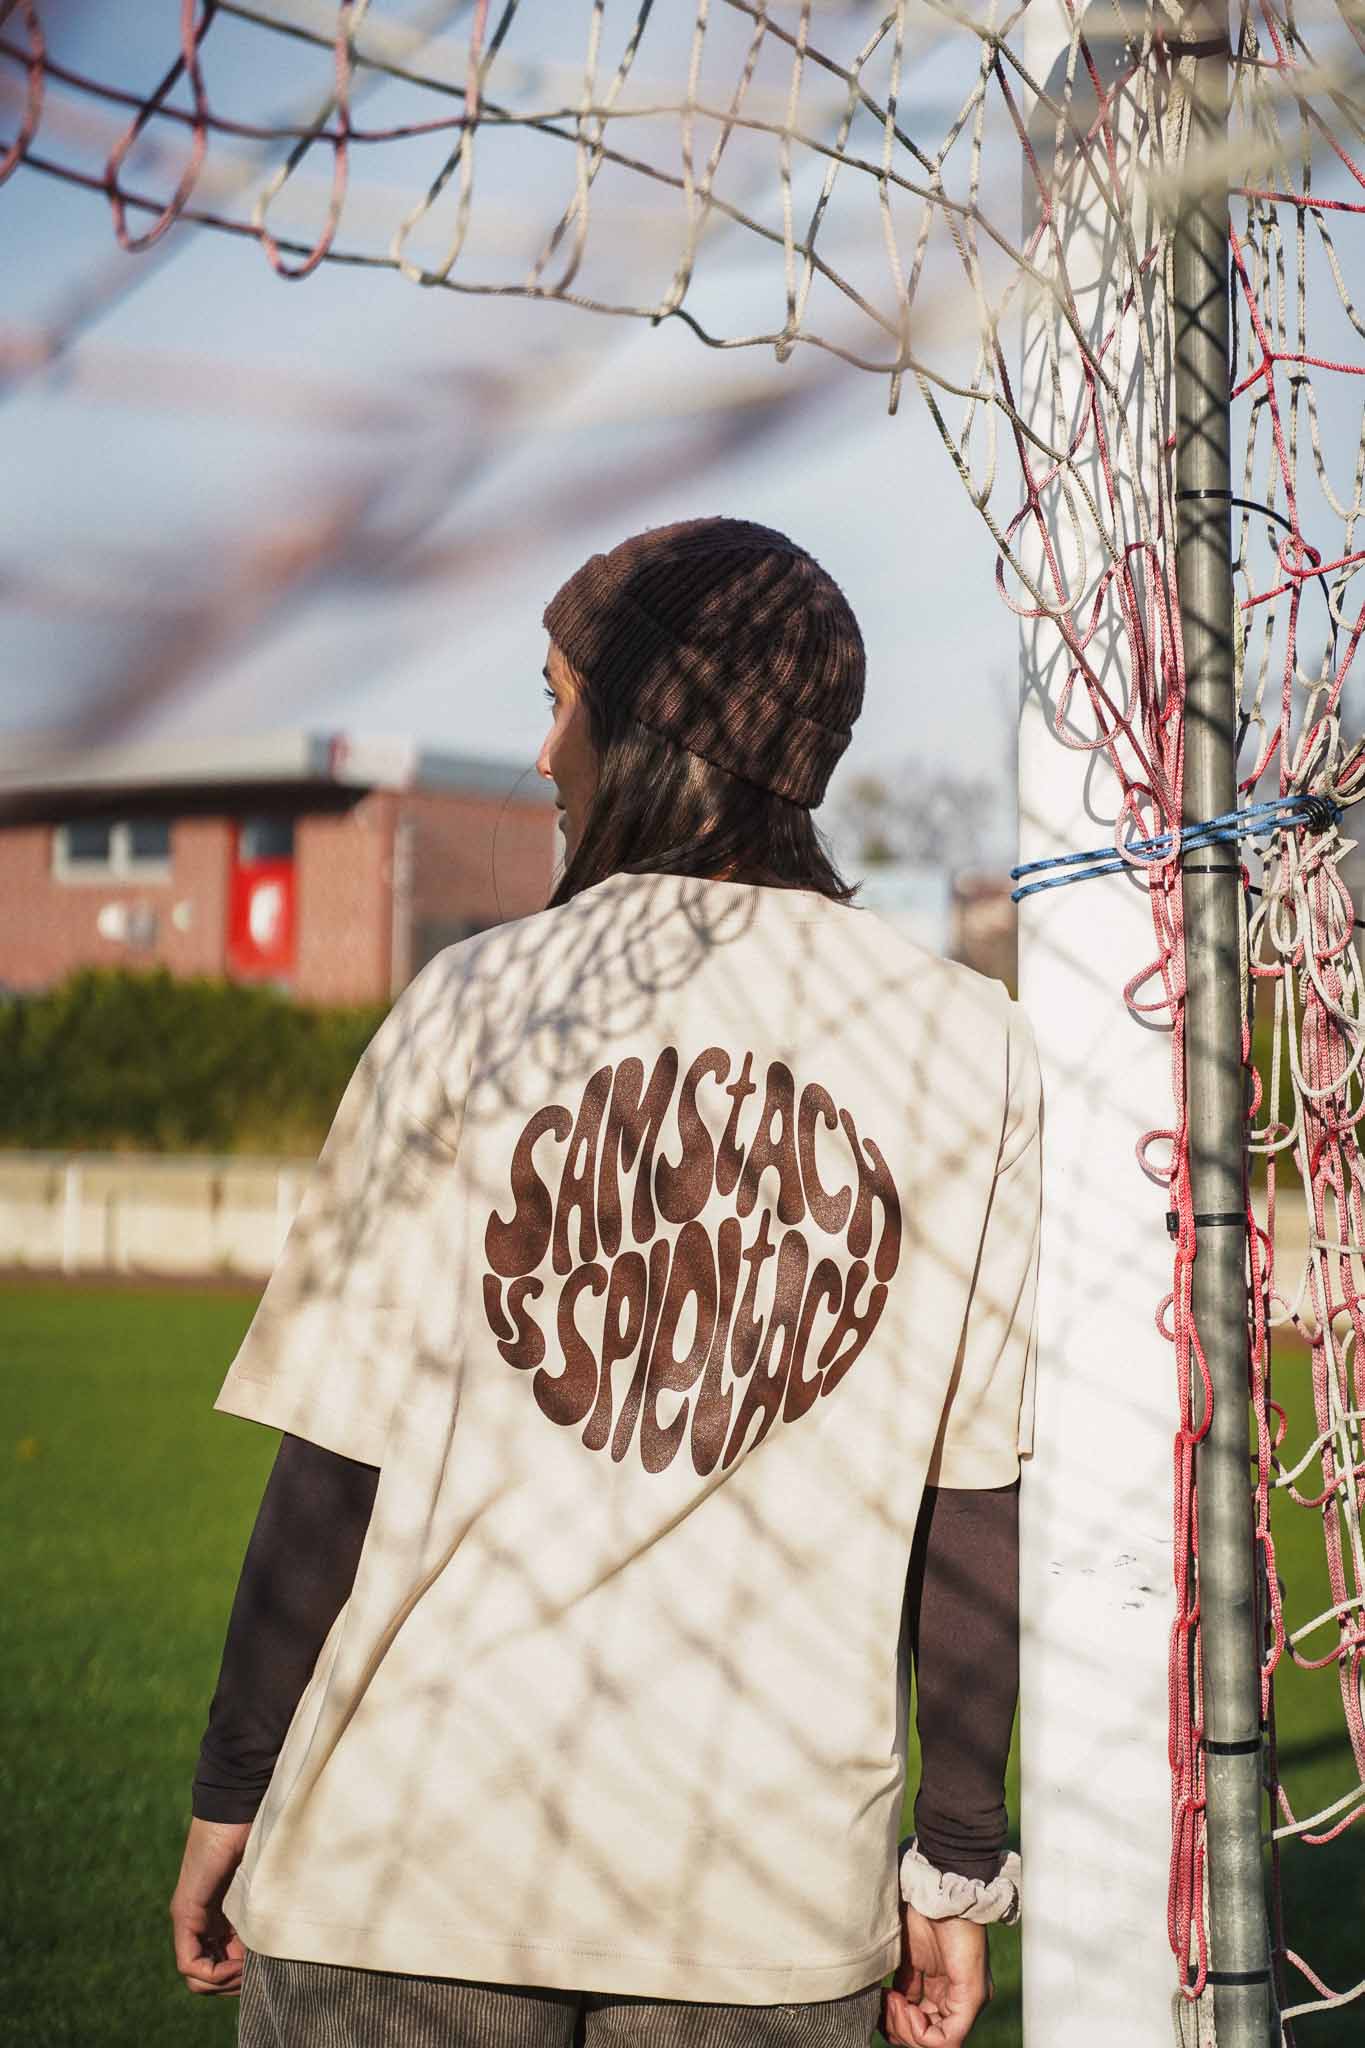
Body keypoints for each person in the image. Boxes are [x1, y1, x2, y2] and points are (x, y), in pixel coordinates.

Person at [170, 516, 1039, 2048]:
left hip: (400, 1854)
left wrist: (236, 1783)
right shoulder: (961, 1044)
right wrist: (954, 1861)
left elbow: (336, 1463)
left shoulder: (474, 1008)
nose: (544, 748)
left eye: (561, 698)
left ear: (646, 725)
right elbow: (970, 1503)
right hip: (757, 1897)